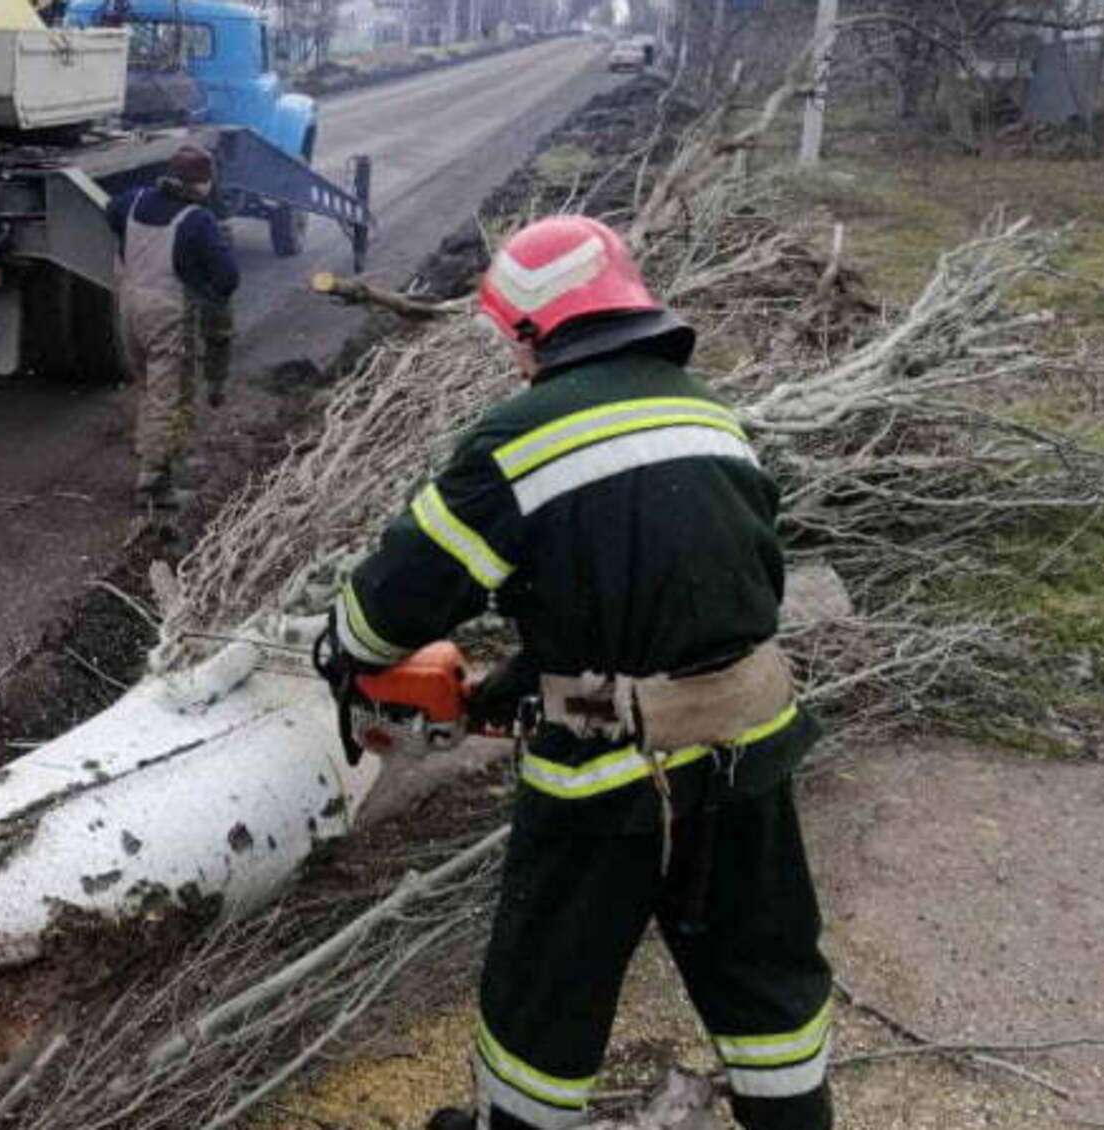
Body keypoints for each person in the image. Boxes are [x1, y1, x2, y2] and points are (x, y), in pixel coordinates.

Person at [321, 216, 834, 1130]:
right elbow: (690, 584)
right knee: (766, 978)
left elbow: (393, 603)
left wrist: (342, 651)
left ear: (529, 332)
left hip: (609, 777)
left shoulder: (519, 438)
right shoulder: (706, 412)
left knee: (545, 993)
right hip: (747, 749)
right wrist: (529, 673)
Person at [105, 144, 239, 509]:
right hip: (167, 314)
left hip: (129, 307)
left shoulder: (132, 200)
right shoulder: (197, 221)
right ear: (203, 183)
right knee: (171, 396)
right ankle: (154, 485)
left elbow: (110, 214)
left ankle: (146, 448)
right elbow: (227, 278)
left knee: (147, 386)